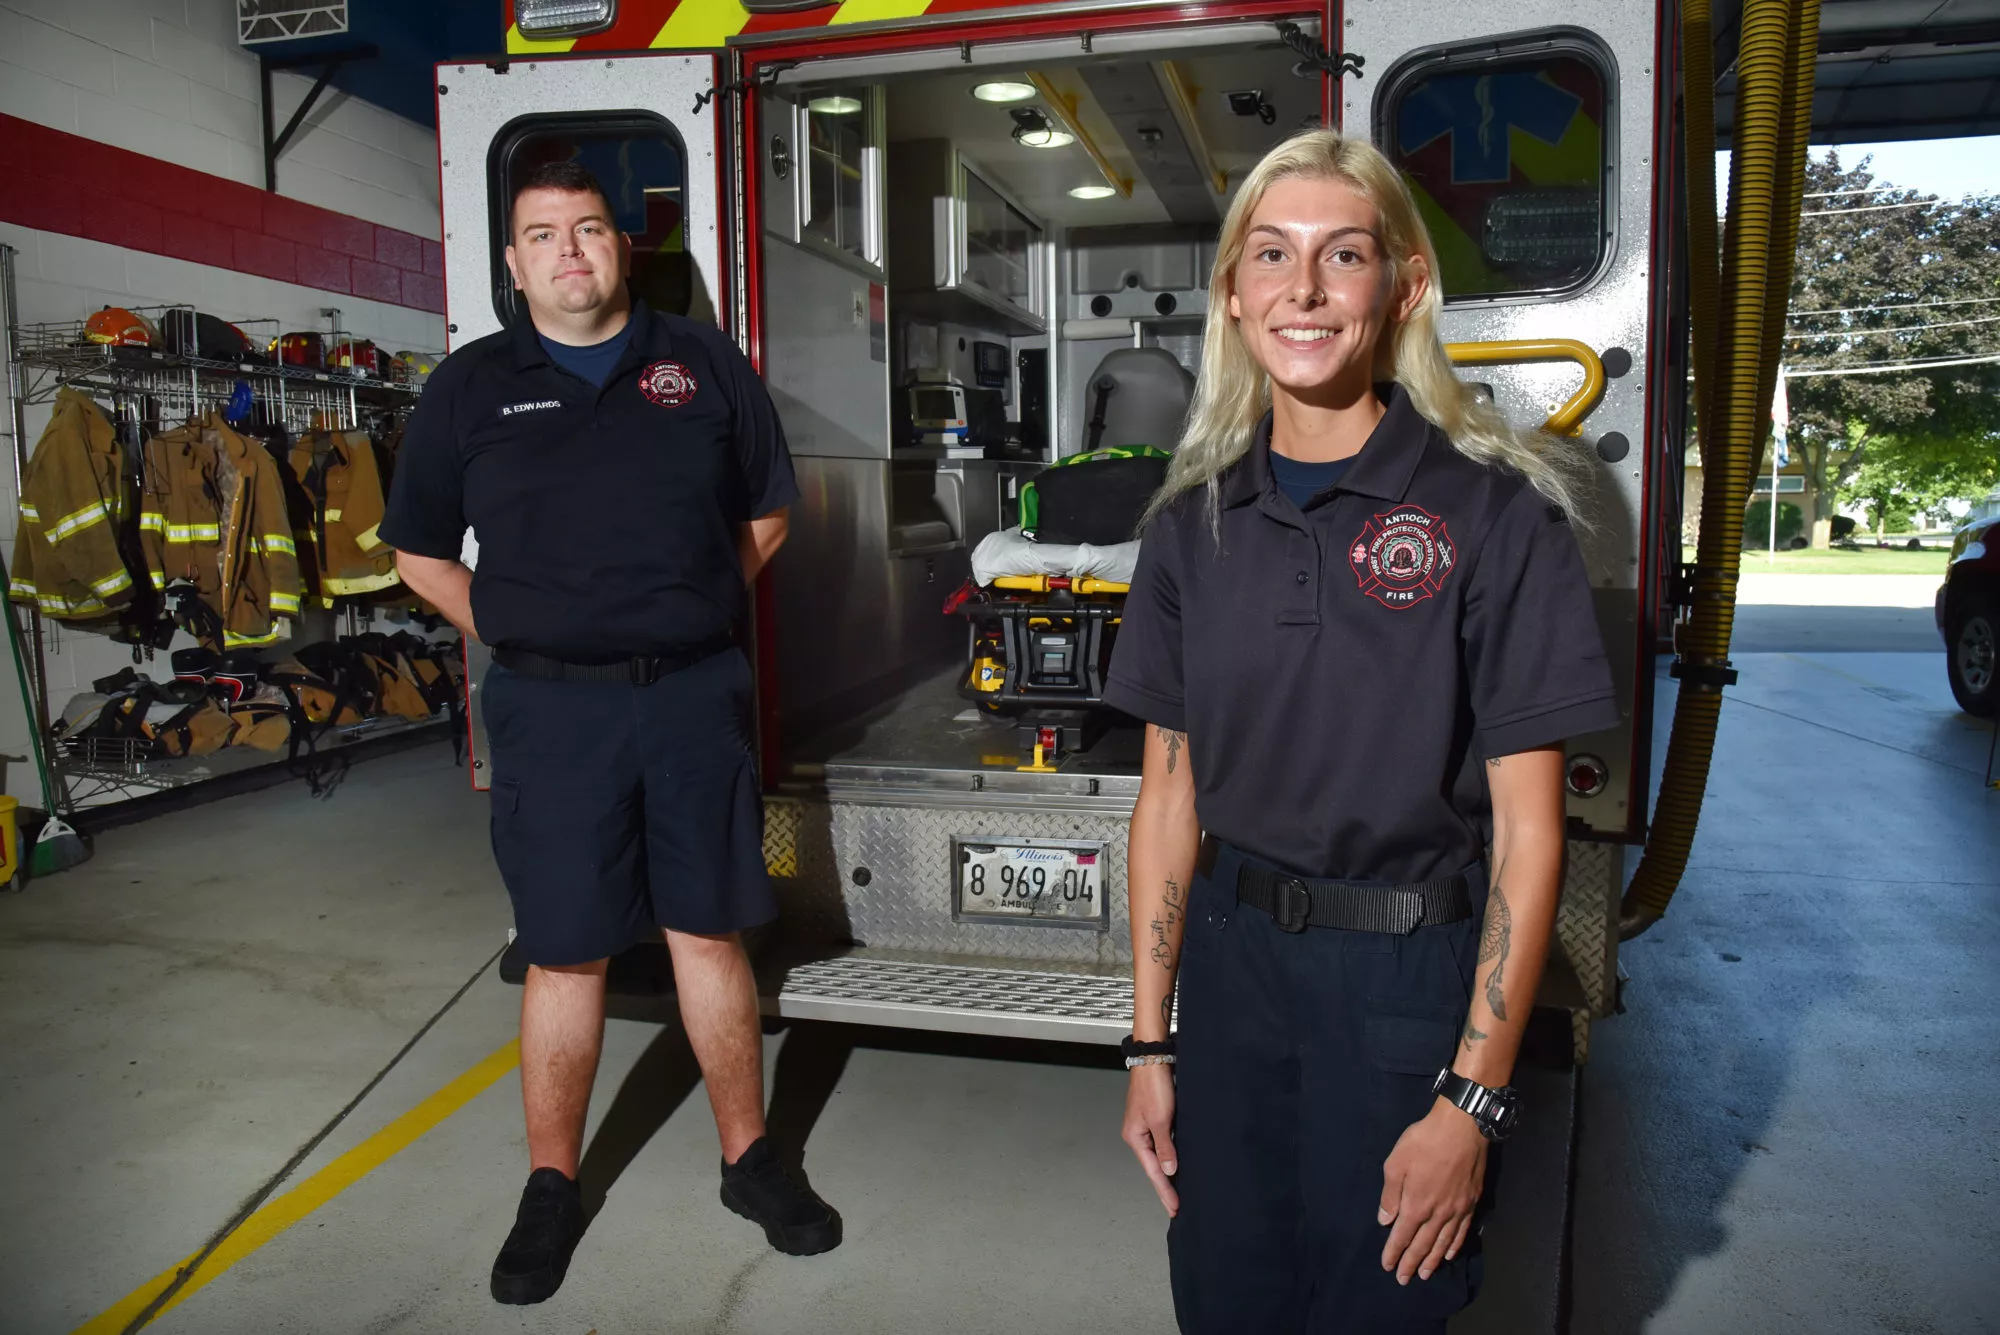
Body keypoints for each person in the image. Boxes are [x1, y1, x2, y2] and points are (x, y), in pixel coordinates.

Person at [1106, 129, 1620, 1333]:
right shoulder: (1192, 526)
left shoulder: (1496, 518)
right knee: (1223, 1301)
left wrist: (1471, 1103)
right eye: (1269, 256)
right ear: (1231, 296)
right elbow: (1167, 802)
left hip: (1401, 984)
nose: (1302, 289)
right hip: (1230, 978)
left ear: (1402, 286)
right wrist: (1144, 1043)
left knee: (1379, 1310)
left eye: (1342, 255)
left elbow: (1529, 838)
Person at [379, 161, 839, 1307]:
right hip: (550, 708)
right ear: (512, 262)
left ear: (620, 248)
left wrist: (687, 610)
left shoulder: (699, 363)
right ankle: (550, 1188)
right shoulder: (470, 388)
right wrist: (526, 623)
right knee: (565, 946)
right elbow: (418, 552)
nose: (568, 251)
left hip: (691, 697)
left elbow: (770, 512)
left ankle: (749, 1160)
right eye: (542, 235)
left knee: (708, 931)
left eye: (588, 229)